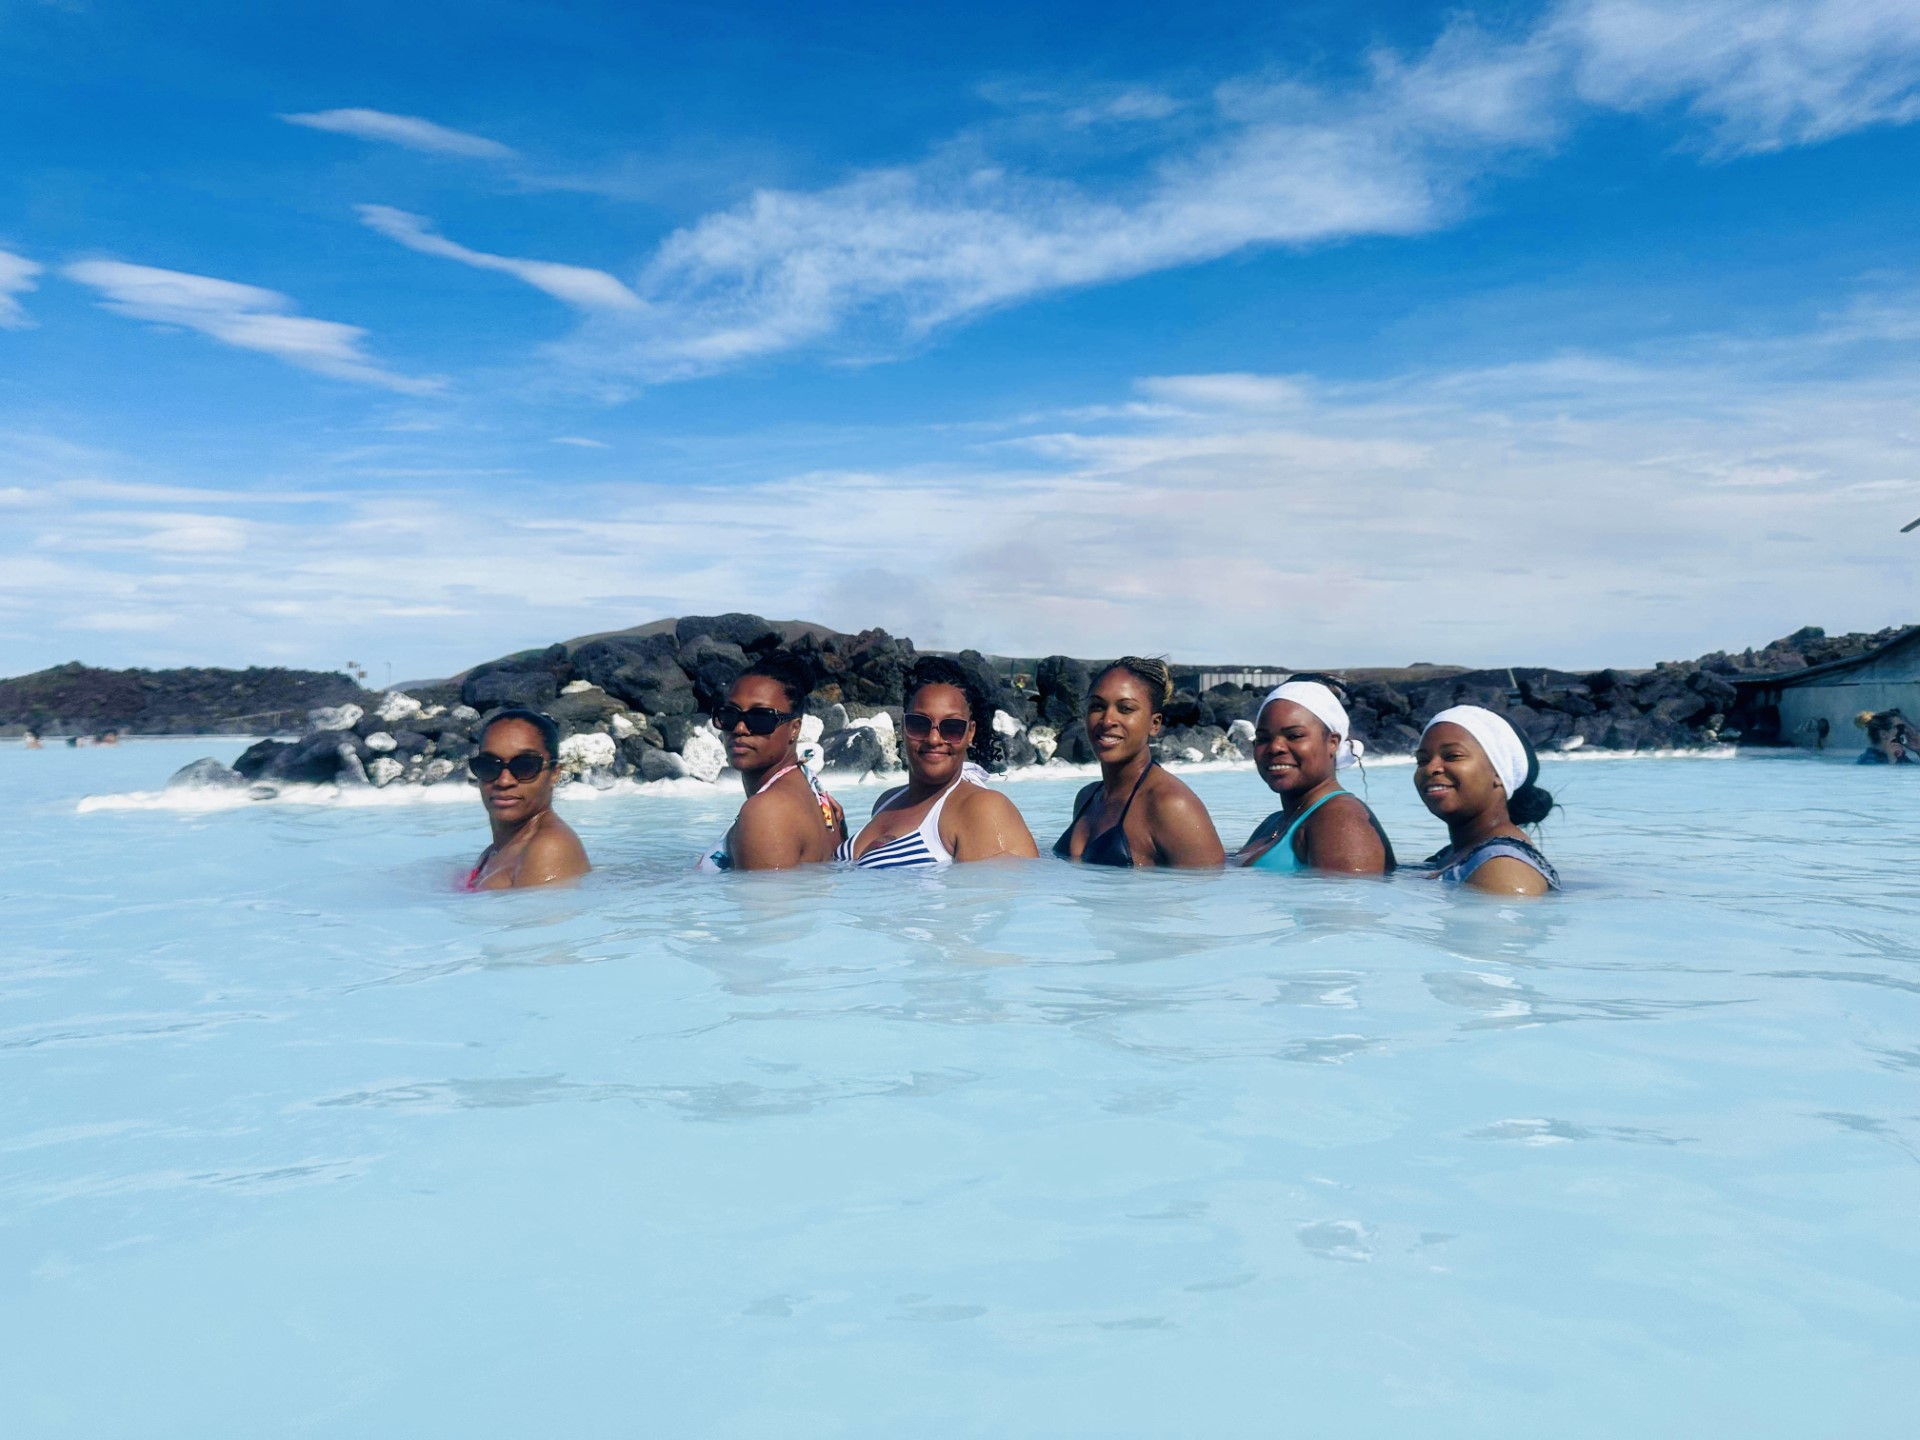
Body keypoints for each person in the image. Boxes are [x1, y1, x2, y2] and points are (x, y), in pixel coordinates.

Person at [849, 656, 1039, 869]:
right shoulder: (887, 801)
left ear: (970, 733)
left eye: (952, 727)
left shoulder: (983, 810)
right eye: (919, 724)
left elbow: (997, 898)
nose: (934, 739)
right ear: (903, 726)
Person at [1054, 656, 1225, 868]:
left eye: (1125, 708)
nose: (1107, 720)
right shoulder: (1087, 798)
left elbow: (1209, 893)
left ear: (1154, 724)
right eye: (1097, 706)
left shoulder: (1171, 806)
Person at [699, 650, 849, 872]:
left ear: (794, 728)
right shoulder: (812, 789)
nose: (740, 729)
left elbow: (766, 903)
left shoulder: (766, 812)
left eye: (761, 718)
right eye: (730, 715)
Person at [1234, 674, 1394, 874]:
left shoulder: (1340, 820)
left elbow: (1351, 902)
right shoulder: (1275, 822)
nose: (1275, 748)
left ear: (1332, 743)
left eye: (1295, 736)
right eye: (1263, 738)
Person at [1413, 705, 1559, 895]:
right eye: (1422, 760)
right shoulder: (1458, 854)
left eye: (1453, 756)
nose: (1430, 768)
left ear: (1499, 772)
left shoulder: (1503, 870)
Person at [464, 707, 591, 890]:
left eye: (525, 766)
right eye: (489, 765)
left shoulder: (549, 848)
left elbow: (539, 917)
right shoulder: (495, 852)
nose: (504, 781)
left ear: (554, 774)